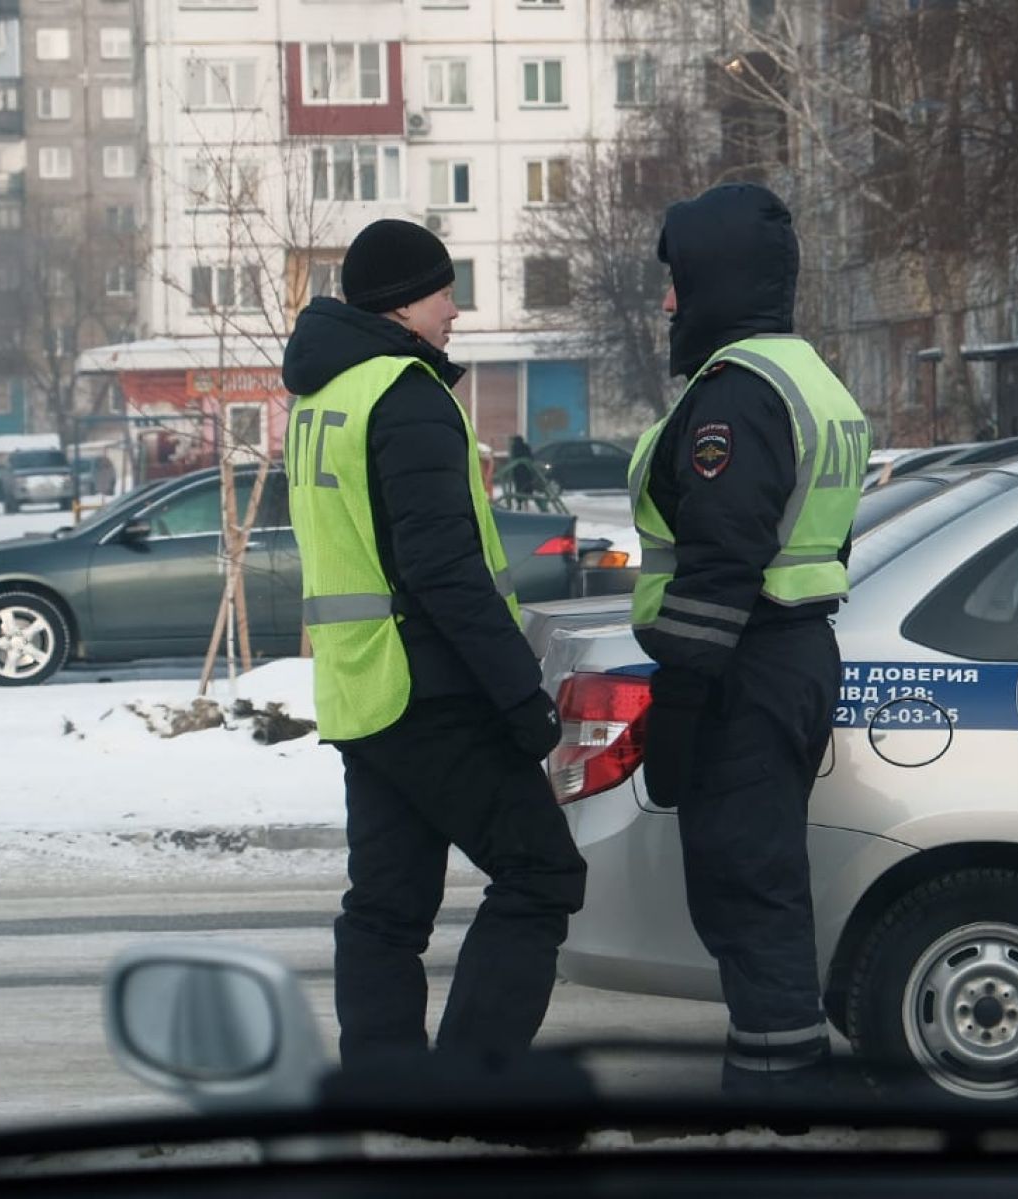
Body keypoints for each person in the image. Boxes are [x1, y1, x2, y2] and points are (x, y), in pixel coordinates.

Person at [282, 218, 586, 1070]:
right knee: (541, 875)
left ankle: (388, 1084)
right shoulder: (405, 395)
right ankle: (471, 1082)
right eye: (446, 291)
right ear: (404, 301)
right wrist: (520, 700)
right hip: (431, 690)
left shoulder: (321, 396)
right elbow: (444, 570)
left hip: (361, 691)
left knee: (387, 902)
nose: (456, 309)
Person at [628, 183, 868, 1093]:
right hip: (792, 653)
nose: (666, 302)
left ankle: (775, 1099)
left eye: (677, 282)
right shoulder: (811, 376)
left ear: (716, 279)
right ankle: (777, 1071)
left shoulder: (740, 395)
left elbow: (724, 555)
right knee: (761, 877)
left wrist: (685, 694)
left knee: (744, 885)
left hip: (746, 664)